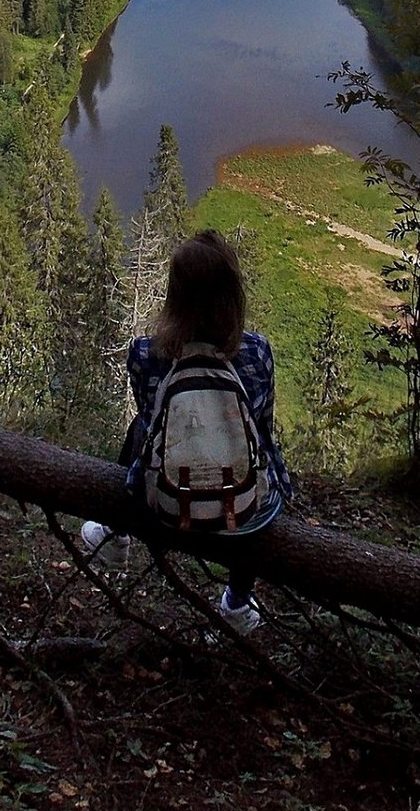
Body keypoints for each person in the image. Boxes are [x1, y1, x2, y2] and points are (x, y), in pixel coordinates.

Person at [81, 229, 293, 633]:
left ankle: (116, 535)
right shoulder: (257, 351)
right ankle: (236, 603)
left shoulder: (146, 353)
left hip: (165, 505)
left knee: (143, 426)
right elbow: (263, 430)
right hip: (244, 515)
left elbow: (150, 422)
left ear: (174, 296)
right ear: (233, 295)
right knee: (253, 480)